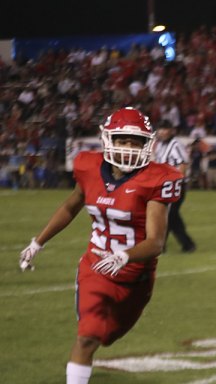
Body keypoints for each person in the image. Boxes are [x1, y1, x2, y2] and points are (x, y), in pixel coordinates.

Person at [18, 107, 184, 384]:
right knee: (87, 338)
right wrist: (38, 242)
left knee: (107, 337)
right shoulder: (88, 166)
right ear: (108, 139)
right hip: (96, 268)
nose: (129, 147)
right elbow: (71, 206)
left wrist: (123, 256)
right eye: (122, 139)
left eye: (136, 141)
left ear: (148, 144)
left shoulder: (159, 178)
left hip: (136, 278)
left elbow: (156, 242)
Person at [154, 119, 197, 252]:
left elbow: (182, 164)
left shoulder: (175, 145)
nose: (162, 132)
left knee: (168, 215)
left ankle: (163, 245)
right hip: (164, 186)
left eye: (165, 129)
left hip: (174, 186)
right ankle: (186, 244)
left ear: (171, 131)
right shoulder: (160, 145)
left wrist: (177, 182)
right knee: (171, 216)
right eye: (160, 129)